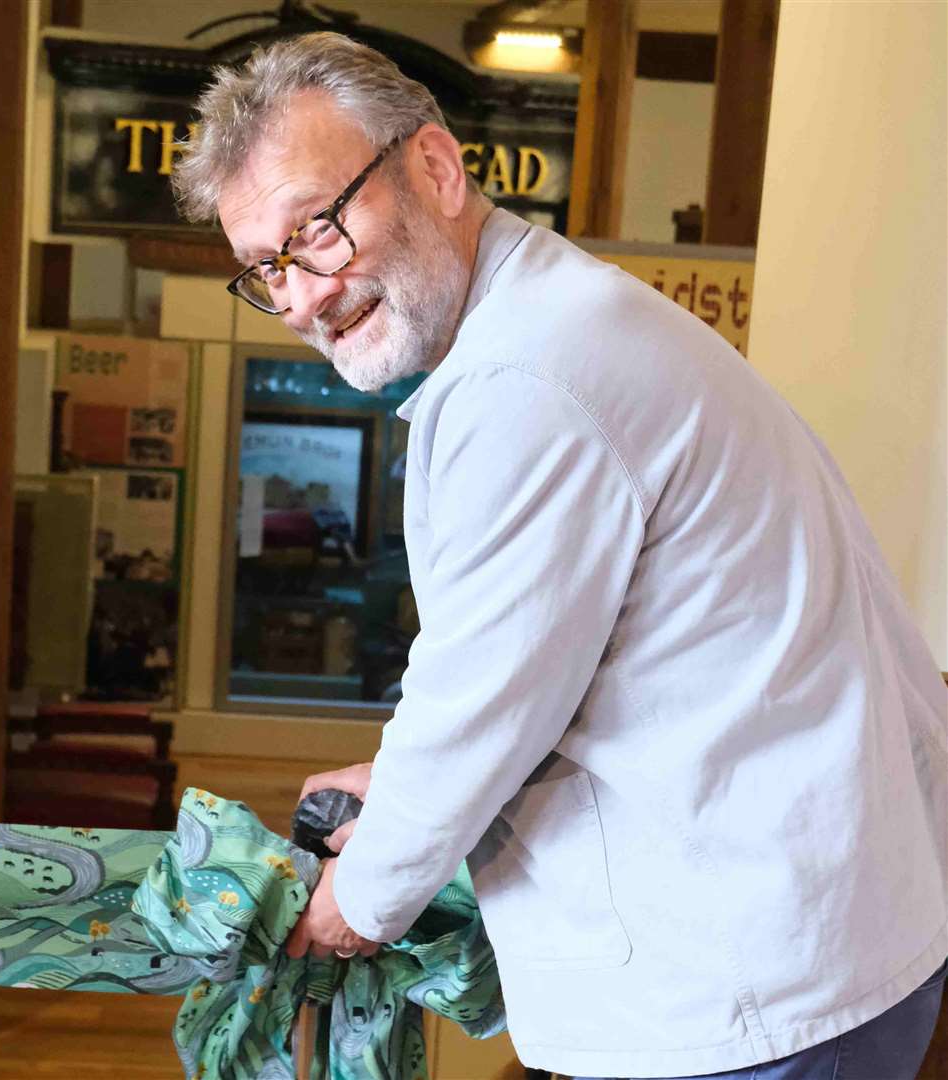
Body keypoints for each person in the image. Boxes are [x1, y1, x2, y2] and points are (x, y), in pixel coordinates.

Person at [172, 32, 948, 1080]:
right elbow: (553, 665)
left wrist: (355, 904)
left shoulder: (528, 380)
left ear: (437, 169)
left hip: (755, 990)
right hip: (814, 934)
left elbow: (482, 698)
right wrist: (400, 784)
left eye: (316, 229)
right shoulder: (551, 322)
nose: (303, 296)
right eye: (265, 267)